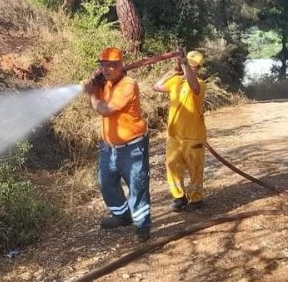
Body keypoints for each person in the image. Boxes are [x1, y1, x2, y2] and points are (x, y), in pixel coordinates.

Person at [81, 46, 151, 242]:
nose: (106, 69)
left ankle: (142, 225)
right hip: (108, 147)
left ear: (120, 66)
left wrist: (91, 94)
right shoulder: (107, 83)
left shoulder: (128, 85)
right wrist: (92, 83)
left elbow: (104, 109)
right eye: (103, 65)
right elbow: (92, 89)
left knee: (137, 186)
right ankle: (122, 215)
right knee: (106, 184)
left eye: (111, 66)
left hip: (132, 147)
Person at [152, 50, 207, 211]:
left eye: (190, 66)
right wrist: (170, 73)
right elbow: (156, 87)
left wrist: (183, 64)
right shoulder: (175, 81)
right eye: (185, 64)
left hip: (194, 137)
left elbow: (194, 86)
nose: (186, 68)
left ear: (197, 68)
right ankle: (179, 197)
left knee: (195, 169)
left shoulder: (200, 85)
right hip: (174, 135)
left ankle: (197, 200)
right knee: (172, 165)